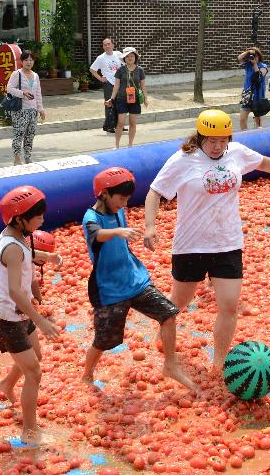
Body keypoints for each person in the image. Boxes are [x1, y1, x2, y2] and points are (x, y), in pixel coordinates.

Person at [144, 110, 270, 372]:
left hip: (228, 242)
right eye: (212, 140)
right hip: (191, 244)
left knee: (230, 306)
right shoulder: (183, 160)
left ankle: (219, 361)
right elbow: (155, 192)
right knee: (179, 302)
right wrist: (151, 226)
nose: (218, 146)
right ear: (200, 137)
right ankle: (163, 331)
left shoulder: (236, 152)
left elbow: (263, 162)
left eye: (223, 140)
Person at [81, 167, 197, 393]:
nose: (124, 203)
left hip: (134, 280)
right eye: (121, 198)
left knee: (169, 314)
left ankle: (170, 365)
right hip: (109, 288)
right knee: (104, 340)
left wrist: (140, 236)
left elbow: (121, 241)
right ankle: (87, 374)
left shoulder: (118, 210)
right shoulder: (91, 217)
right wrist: (118, 232)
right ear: (104, 194)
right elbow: (97, 234)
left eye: (127, 199)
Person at [0, 186, 61, 447]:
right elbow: (13, 291)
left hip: (19, 315)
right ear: (20, 218)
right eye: (38, 217)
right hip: (8, 318)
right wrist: (40, 320)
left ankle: (6, 384)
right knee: (33, 373)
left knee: (36, 358)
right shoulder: (12, 247)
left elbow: (27, 256)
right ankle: (29, 431)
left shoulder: (16, 235)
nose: (42, 221)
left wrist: (47, 256)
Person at [6, 51, 45, 165]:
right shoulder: (17, 74)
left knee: (30, 135)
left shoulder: (35, 75)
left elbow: (38, 94)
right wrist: (23, 93)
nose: (29, 62)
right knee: (18, 135)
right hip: (20, 110)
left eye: (31, 60)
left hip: (33, 111)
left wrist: (40, 109)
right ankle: (17, 158)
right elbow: (9, 89)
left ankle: (28, 157)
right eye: (26, 60)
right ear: (21, 62)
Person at [110, 47, 149, 149]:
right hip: (122, 99)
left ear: (135, 57)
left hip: (134, 100)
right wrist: (112, 98)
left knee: (132, 123)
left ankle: (130, 145)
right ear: (124, 58)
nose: (130, 58)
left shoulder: (140, 70)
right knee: (120, 123)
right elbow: (116, 86)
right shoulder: (120, 70)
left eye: (132, 56)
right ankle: (117, 145)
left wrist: (145, 98)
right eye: (127, 56)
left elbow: (143, 85)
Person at [90, 38, 123, 133]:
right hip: (109, 83)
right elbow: (92, 69)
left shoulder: (118, 54)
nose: (107, 46)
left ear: (113, 45)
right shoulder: (101, 58)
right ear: (103, 47)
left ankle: (118, 125)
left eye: (109, 44)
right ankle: (109, 126)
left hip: (119, 83)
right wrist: (100, 78)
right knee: (109, 104)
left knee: (120, 104)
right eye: (105, 45)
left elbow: (126, 63)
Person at [236, 47, 269, 131]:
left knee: (258, 122)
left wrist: (254, 64)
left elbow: (259, 76)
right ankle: (245, 136)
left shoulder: (263, 66)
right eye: (252, 56)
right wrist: (248, 52)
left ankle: (259, 137)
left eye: (256, 56)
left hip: (257, 97)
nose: (254, 58)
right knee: (242, 119)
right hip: (247, 97)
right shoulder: (248, 65)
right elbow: (239, 58)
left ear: (259, 57)